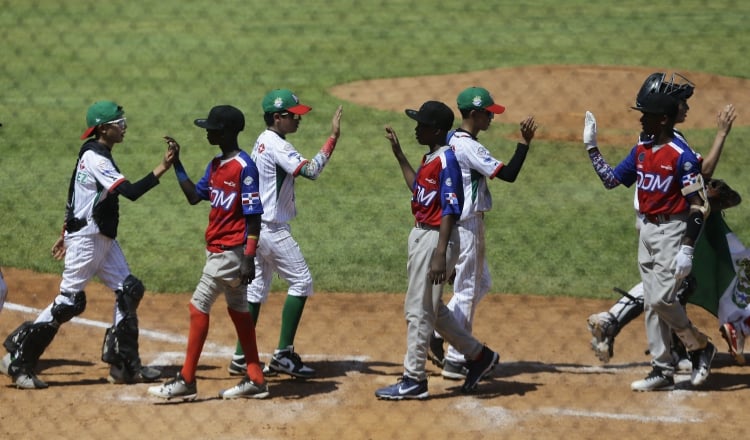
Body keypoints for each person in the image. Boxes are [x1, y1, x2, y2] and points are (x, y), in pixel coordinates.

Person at [0, 100, 174, 389]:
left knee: (128, 290)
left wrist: (65, 228)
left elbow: (75, 193)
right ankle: (19, 360)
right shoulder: (96, 158)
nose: (124, 127)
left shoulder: (94, 152)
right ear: (103, 129)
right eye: (119, 123)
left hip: (99, 236)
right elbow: (129, 192)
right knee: (68, 301)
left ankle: (124, 364)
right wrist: (163, 166)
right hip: (88, 240)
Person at [586, 73, 738, 369]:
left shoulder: (660, 136)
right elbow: (702, 173)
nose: (686, 108)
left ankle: (663, 349)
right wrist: (721, 134)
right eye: (682, 103)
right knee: (673, 286)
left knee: (667, 286)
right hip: (664, 219)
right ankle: (681, 345)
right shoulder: (666, 140)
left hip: (658, 216)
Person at [375, 100, 499, 400]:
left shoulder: (448, 162)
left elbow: (450, 210)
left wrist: (441, 254)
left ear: (437, 130)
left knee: (418, 311)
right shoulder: (431, 157)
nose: (416, 129)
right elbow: (417, 188)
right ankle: (478, 355)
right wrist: (400, 155)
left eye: (422, 126)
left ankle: (414, 378)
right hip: (422, 237)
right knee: (433, 308)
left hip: (435, 240)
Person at [147, 105, 269, 401]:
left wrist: (248, 257)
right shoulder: (216, 164)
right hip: (217, 251)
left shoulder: (244, 167)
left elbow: (254, 216)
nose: (207, 132)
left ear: (225, 131)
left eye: (211, 129)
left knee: (197, 305)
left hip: (231, 253)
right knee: (239, 312)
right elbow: (193, 197)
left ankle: (186, 379)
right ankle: (255, 378)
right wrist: (177, 164)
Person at [226, 89, 343, 379]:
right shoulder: (278, 145)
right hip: (272, 230)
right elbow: (312, 171)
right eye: (294, 116)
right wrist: (333, 138)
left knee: (254, 292)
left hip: (254, 228)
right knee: (301, 282)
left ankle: (241, 356)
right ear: (278, 118)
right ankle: (282, 354)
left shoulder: (263, 140)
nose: (298, 120)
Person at [428, 87, 537, 380]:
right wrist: (524, 144)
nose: (492, 117)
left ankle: (439, 335)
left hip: (450, 224)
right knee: (466, 289)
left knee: (481, 283)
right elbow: (509, 174)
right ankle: (455, 359)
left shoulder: (450, 138)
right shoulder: (470, 147)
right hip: (467, 225)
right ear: (474, 114)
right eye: (488, 113)